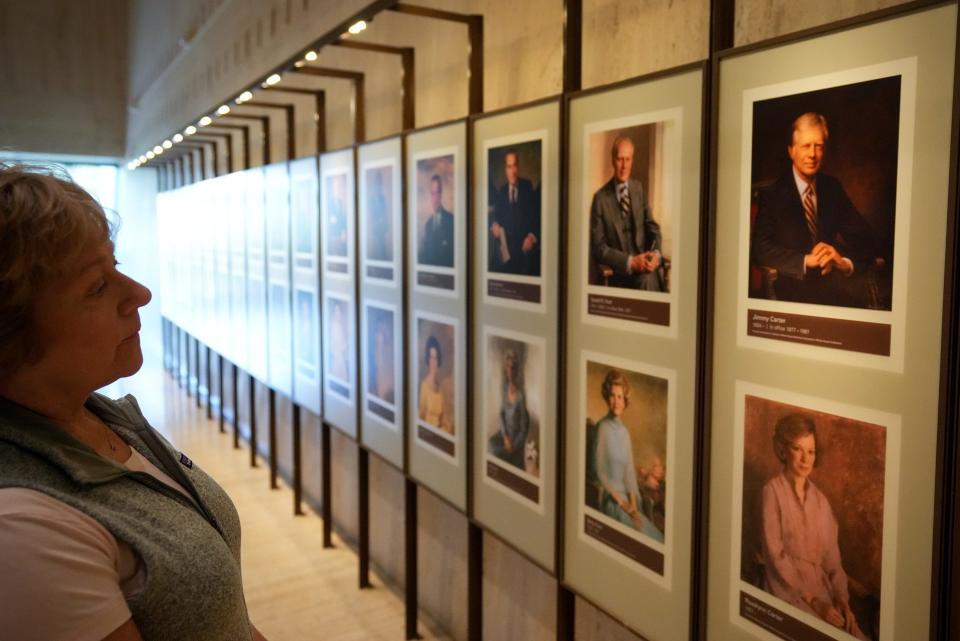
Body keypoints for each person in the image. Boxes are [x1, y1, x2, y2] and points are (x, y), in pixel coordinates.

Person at [0, 165, 269, 641]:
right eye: (97, 287)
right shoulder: (21, 530)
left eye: (115, 266)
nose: (140, 294)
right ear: (12, 336)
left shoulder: (99, 416)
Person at [751, 112, 878, 308]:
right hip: (788, 293)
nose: (812, 154)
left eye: (818, 146)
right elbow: (760, 249)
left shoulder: (832, 187)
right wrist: (804, 260)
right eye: (805, 146)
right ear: (791, 151)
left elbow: (866, 239)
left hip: (832, 288)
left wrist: (842, 262)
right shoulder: (774, 193)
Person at [760, 414, 867, 640]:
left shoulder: (821, 502)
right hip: (786, 587)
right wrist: (813, 601)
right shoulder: (772, 492)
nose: (805, 459)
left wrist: (841, 600)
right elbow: (775, 556)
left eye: (811, 451)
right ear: (782, 450)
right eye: (798, 449)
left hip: (822, 588)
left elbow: (833, 561)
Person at [593, 369, 663, 541]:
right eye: (612, 395)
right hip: (612, 500)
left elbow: (630, 475)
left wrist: (633, 507)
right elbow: (599, 472)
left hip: (628, 502)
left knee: (655, 537)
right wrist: (622, 504)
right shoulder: (602, 428)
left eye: (620, 397)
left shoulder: (624, 433)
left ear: (625, 401)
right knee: (641, 537)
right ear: (606, 398)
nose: (616, 401)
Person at [590, 135, 665, 291]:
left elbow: (654, 230)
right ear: (612, 160)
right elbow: (599, 248)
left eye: (628, 159)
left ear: (632, 160)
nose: (624, 166)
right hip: (620, 273)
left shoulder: (639, 189)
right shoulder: (600, 199)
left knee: (648, 278)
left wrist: (656, 256)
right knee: (646, 282)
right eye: (620, 159)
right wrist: (630, 262)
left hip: (645, 269)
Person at [489, 149, 541, 276]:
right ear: (505, 170)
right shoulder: (501, 191)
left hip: (525, 252)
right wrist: (495, 224)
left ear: (518, 167)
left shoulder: (527, 187)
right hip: (507, 255)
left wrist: (532, 237)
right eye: (509, 166)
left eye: (515, 166)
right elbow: (497, 215)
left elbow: (537, 217)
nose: (512, 171)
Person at [487, 346, 530, 470]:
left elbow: (523, 429)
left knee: (501, 456)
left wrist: (513, 445)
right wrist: (505, 436)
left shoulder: (521, 396)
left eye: (513, 367)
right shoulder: (505, 389)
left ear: (516, 371)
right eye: (508, 367)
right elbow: (501, 414)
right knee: (490, 445)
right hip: (505, 436)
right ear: (506, 369)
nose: (510, 371)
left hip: (515, 442)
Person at [418, 174, 454, 268]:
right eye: (432, 193)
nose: (435, 198)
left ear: (441, 194)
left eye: (438, 192)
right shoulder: (428, 224)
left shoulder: (451, 221)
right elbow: (426, 255)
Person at [418, 335, 450, 433]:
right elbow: (420, 418)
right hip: (427, 436)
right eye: (431, 358)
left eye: (436, 358)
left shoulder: (440, 389)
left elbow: (444, 419)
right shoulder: (424, 386)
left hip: (439, 435)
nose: (433, 362)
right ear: (428, 360)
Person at [366, 169, 392, 262]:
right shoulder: (371, 200)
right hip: (375, 230)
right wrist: (378, 221)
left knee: (383, 250)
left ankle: (382, 265)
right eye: (378, 182)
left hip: (382, 230)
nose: (379, 186)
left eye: (380, 183)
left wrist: (386, 227)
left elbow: (385, 214)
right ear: (375, 184)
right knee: (376, 250)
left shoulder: (382, 198)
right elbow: (371, 215)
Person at [326, 174, 348, 258]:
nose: (337, 189)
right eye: (335, 186)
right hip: (332, 230)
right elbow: (327, 216)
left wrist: (343, 230)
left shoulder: (340, 201)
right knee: (334, 248)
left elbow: (341, 216)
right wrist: (331, 219)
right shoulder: (329, 202)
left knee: (339, 249)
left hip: (339, 230)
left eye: (338, 186)